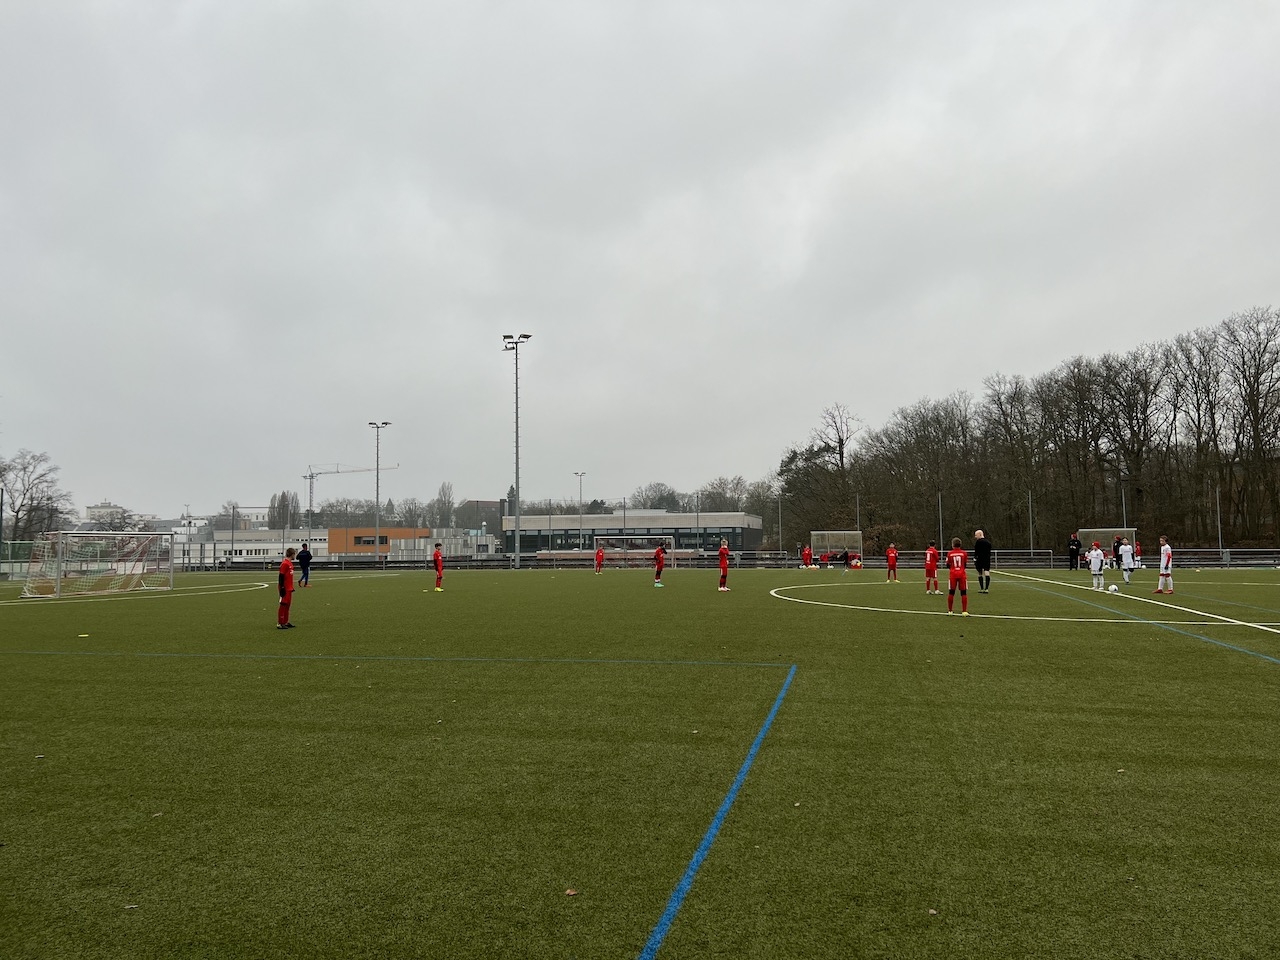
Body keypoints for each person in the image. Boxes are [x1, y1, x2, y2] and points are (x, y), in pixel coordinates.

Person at [945, 538, 969, 615]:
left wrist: (952, 569)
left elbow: (947, 564)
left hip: (953, 574)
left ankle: (950, 610)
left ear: (952, 545)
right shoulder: (964, 553)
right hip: (962, 574)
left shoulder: (949, 553)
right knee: (963, 592)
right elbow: (965, 564)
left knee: (951, 592)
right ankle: (964, 611)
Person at [277, 547, 296, 629]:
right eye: (294, 554)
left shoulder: (290, 563)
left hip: (289, 588)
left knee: (288, 605)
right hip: (284, 588)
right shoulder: (285, 563)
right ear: (292, 554)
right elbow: (281, 576)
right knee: (283, 604)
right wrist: (282, 587)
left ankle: (285, 621)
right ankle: (280, 623)